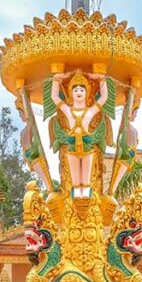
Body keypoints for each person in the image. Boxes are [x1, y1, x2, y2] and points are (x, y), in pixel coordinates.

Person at [49, 70, 110, 198]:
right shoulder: (67, 110)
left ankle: (87, 200)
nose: (78, 92)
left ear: (86, 93)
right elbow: (54, 97)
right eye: (75, 90)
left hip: (87, 146)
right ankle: (76, 202)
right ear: (71, 93)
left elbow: (104, 97)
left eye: (82, 90)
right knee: (76, 185)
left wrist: (101, 79)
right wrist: (56, 78)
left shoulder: (90, 111)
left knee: (86, 183)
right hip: (71, 146)